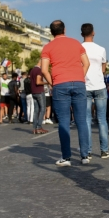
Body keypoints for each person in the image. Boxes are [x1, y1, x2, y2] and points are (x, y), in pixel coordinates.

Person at [41, 20, 90, 165]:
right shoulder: (76, 43)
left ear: (51, 32)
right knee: (81, 120)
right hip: (79, 83)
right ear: (65, 29)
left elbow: (44, 70)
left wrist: (52, 83)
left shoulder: (47, 47)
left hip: (60, 84)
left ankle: (66, 157)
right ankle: (85, 155)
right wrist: (80, 76)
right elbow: (86, 63)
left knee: (63, 122)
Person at [81, 23, 109, 158]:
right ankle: (104, 150)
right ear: (93, 33)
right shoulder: (101, 49)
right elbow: (103, 69)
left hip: (85, 85)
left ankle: (88, 151)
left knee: (86, 120)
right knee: (102, 119)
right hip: (99, 85)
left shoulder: (78, 48)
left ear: (82, 34)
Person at [29, 60, 48, 134]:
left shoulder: (32, 70)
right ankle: (39, 127)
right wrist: (47, 82)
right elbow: (38, 82)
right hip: (39, 91)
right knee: (43, 109)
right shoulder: (39, 70)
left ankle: (34, 128)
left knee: (36, 110)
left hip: (33, 92)